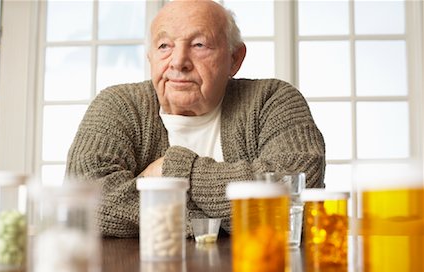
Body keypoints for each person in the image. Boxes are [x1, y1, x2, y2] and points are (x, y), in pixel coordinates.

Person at [66, 0, 325, 238]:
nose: (178, 62)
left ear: (234, 59)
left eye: (199, 44)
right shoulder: (118, 104)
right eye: (164, 46)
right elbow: (83, 200)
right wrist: (212, 221)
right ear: (151, 58)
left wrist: (173, 169)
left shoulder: (273, 99)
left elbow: (297, 187)